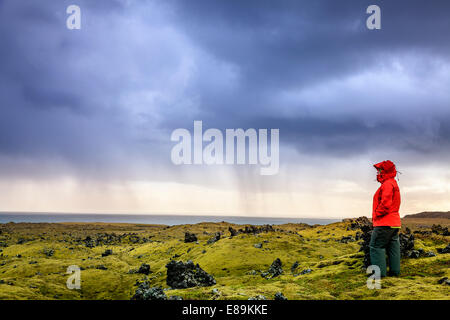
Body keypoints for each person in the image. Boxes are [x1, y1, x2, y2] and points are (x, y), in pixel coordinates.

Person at [370, 160, 401, 277]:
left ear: (385, 171)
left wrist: (376, 214)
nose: (377, 172)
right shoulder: (393, 183)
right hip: (394, 223)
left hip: (384, 223)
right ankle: (395, 273)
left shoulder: (387, 184)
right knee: (393, 247)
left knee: (376, 247)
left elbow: (385, 204)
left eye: (379, 170)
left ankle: (378, 276)